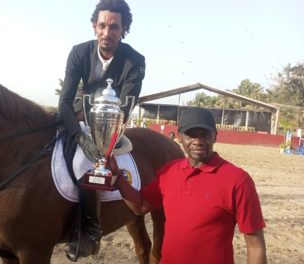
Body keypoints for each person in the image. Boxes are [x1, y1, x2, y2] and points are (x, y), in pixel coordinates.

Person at [117, 107, 267, 264]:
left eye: (205, 135)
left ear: (215, 136)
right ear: (180, 137)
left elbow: (255, 246)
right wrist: (117, 178)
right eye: (191, 135)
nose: (198, 141)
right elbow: (140, 206)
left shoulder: (238, 180)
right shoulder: (168, 172)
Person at [57, 0, 145, 260]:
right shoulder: (78, 53)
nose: (107, 32)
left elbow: (126, 108)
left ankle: (91, 230)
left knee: (87, 160)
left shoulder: (135, 61)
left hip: (112, 121)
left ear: (124, 29)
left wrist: (99, 142)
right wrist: (79, 137)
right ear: (95, 26)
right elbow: (64, 102)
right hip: (79, 111)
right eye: (103, 25)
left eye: (114, 27)